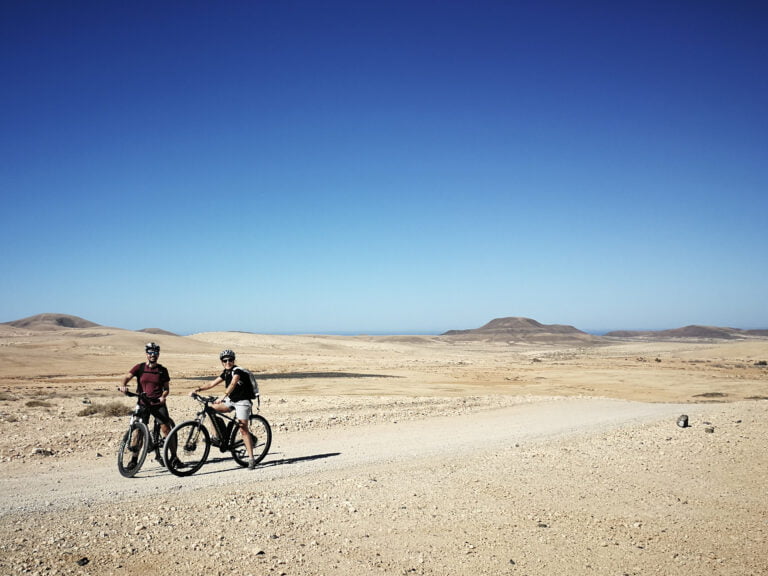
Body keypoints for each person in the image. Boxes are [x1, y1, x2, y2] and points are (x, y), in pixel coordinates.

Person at [191, 349, 257, 469]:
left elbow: (233, 383)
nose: (227, 362)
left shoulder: (237, 371)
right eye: (225, 360)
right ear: (221, 362)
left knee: (243, 429)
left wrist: (223, 396)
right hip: (231, 400)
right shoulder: (225, 372)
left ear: (233, 360)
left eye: (230, 360)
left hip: (242, 402)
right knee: (210, 409)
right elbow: (212, 384)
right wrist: (198, 389)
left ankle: (251, 458)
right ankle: (218, 436)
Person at [118, 342, 178, 467]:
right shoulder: (139, 368)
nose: (153, 355)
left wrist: (163, 396)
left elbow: (166, 388)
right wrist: (123, 385)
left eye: (155, 352)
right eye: (150, 352)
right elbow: (127, 377)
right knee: (138, 430)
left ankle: (174, 457)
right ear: (146, 354)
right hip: (143, 402)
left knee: (166, 429)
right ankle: (134, 460)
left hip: (157, 403)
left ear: (158, 354)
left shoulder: (162, 370)